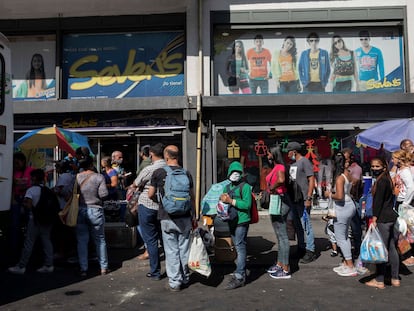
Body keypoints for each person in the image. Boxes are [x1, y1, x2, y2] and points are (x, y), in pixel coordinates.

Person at [148, 145, 195, 292]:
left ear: (166, 156)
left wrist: (163, 203)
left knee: (171, 250)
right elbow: (192, 196)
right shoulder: (186, 173)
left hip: (167, 216)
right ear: (178, 156)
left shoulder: (159, 172)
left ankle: (175, 282)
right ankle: (185, 276)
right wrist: (194, 215)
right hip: (185, 216)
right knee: (184, 248)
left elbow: (150, 194)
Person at [8, 169, 54, 274]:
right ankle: (49, 264)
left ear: (33, 178)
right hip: (46, 220)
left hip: (35, 219)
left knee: (29, 242)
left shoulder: (31, 190)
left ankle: (21, 266)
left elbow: (28, 205)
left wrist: (24, 204)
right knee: (47, 241)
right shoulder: (47, 190)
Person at [365, 157, 400, 289]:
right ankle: (395, 278)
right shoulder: (387, 179)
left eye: (377, 167)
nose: (374, 169)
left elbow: (378, 202)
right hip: (391, 217)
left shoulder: (381, 182)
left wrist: (374, 218)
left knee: (380, 249)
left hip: (383, 219)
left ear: (384, 167)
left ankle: (379, 280)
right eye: (373, 166)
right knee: (391, 248)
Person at [133, 143, 166, 276]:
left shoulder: (149, 169)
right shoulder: (169, 167)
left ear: (151, 154)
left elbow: (136, 183)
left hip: (147, 205)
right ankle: (173, 270)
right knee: (165, 239)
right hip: (164, 207)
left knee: (151, 240)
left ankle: (155, 272)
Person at [218, 161, 252, 289]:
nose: (235, 174)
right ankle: (239, 269)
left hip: (242, 221)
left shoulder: (246, 187)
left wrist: (231, 201)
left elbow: (247, 205)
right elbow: (223, 202)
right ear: (229, 173)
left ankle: (240, 276)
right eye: (233, 172)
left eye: (238, 172)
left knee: (240, 246)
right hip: (230, 220)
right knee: (237, 245)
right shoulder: (226, 188)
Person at [76, 155, 109, 276]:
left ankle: (83, 268)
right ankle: (103, 267)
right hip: (95, 210)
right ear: (91, 164)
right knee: (100, 239)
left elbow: (71, 193)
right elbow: (104, 194)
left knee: (82, 240)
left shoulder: (78, 177)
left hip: (81, 210)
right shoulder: (99, 177)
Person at [325, 152, 358, 277]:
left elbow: (339, 196)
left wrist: (329, 195)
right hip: (350, 205)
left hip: (342, 208)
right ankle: (346, 262)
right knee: (345, 236)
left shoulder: (339, 178)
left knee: (341, 238)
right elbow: (354, 184)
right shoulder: (347, 174)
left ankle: (350, 266)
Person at [286, 142, 317, 263]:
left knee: (306, 225)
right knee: (297, 225)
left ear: (294, 151)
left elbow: (311, 179)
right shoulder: (293, 164)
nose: (287, 154)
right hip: (294, 199)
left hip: (303, 199)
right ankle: (301, 247)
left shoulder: (304, 161)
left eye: (288, 151)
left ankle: (311, 250)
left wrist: (309, 197)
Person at [265, 146, 292, 279]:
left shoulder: (280, 167)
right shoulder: (276, 166)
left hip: (281, 200)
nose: (267, 154)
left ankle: (285, 268)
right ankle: (280, 263)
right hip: (277, 200)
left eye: (269, 152)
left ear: (274, 154)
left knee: (282, 235)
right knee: (279, 234)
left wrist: (272, 187)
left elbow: (281, 180)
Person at [389, 149, 414, 267]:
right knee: (401, 230)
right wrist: (394, 167)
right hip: (399, 201)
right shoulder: (400, 169)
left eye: (394, 158)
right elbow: (391, 176)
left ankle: (408, 255)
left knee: (404, 231)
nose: (392, 160)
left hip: (404, 203)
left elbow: (411, 187)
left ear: (399, 159)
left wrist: (406, 203)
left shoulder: (405, 172)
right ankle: (405, 254)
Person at [10, 152, 34, 261]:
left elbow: (35, 184)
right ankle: (14, 251)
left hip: (28, 201)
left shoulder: (30, 171)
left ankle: (29, 250)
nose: (16, 165)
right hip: (16, 200)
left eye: (18, 162)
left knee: (30, 227)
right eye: (15, 163)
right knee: (15, 226)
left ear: (23, 161)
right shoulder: (12, 171)